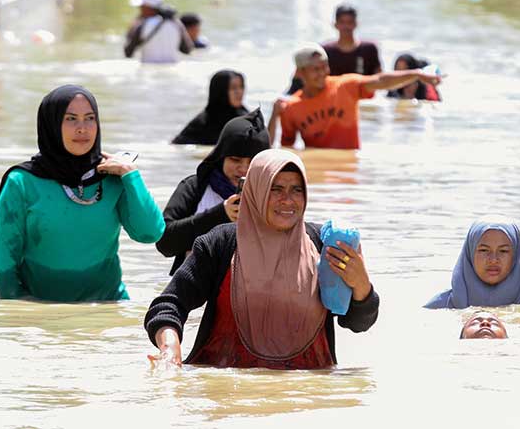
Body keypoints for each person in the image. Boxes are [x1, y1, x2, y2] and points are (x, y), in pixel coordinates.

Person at [144, 149, 379, 369]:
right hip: (227, 393)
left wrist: (362, 286)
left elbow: (358, 323)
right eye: (276, 189)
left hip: (307, 395)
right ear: (257, 190)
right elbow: (169, 304)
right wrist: (170, 348)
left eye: (297, 190)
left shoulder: (321, 244)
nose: (288, 200)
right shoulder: (220, 244)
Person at [0, 85, 165, 302]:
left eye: (90, 118)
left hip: (108, 308)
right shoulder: (22, 182)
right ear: (52, 125)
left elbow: (150, 233)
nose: (82, 128)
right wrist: (21, 317)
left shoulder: (112, 178)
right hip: (41, 311)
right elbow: (4, 263)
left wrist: (131, 176)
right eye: (71, 119)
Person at [157, 109, 270, 275]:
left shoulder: (273, 196)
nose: (243, 169)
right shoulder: (195, 187)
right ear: (221, 156)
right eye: (235, 160)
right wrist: (221, 214)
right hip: (194, 290)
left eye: (252, 162)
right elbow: (165, 243)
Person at [269, 44, 441, 149]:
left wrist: (416, 75)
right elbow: (285, 151)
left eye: (324, 66)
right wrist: (274, 116)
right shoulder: (291, 108)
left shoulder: (346, 86)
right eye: (315, 69)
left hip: (349, 174)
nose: (322, 73)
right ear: (300, 72)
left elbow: (380, 80)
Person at [424, 216, 520, 309]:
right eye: (484, 250)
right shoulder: (440, 307)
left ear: (516, 256)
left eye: (503, 251)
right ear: (470, 252)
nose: (493, 259)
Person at [172, 70, 249, 145]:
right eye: (233, 88)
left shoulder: (247, 118)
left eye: (241, 87)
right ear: (220, 91)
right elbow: (178, 146)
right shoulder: (201, 124)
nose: (239, 92)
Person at [124, 0, 194, 64]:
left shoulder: (142, 25)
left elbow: (128, 52)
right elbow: (187, 49)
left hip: (148, 70)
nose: (139, 9)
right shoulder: (176, 23)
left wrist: (133, 26)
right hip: (172, 71)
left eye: (141, 7)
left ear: (147, 7)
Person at [322, 5, 382, 76]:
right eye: (342, 22)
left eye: (350, 22)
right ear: (335, 24)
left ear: (356, 24)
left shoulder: (369, 48)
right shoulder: (326, 50)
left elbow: (379, 77)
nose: (346, 26)